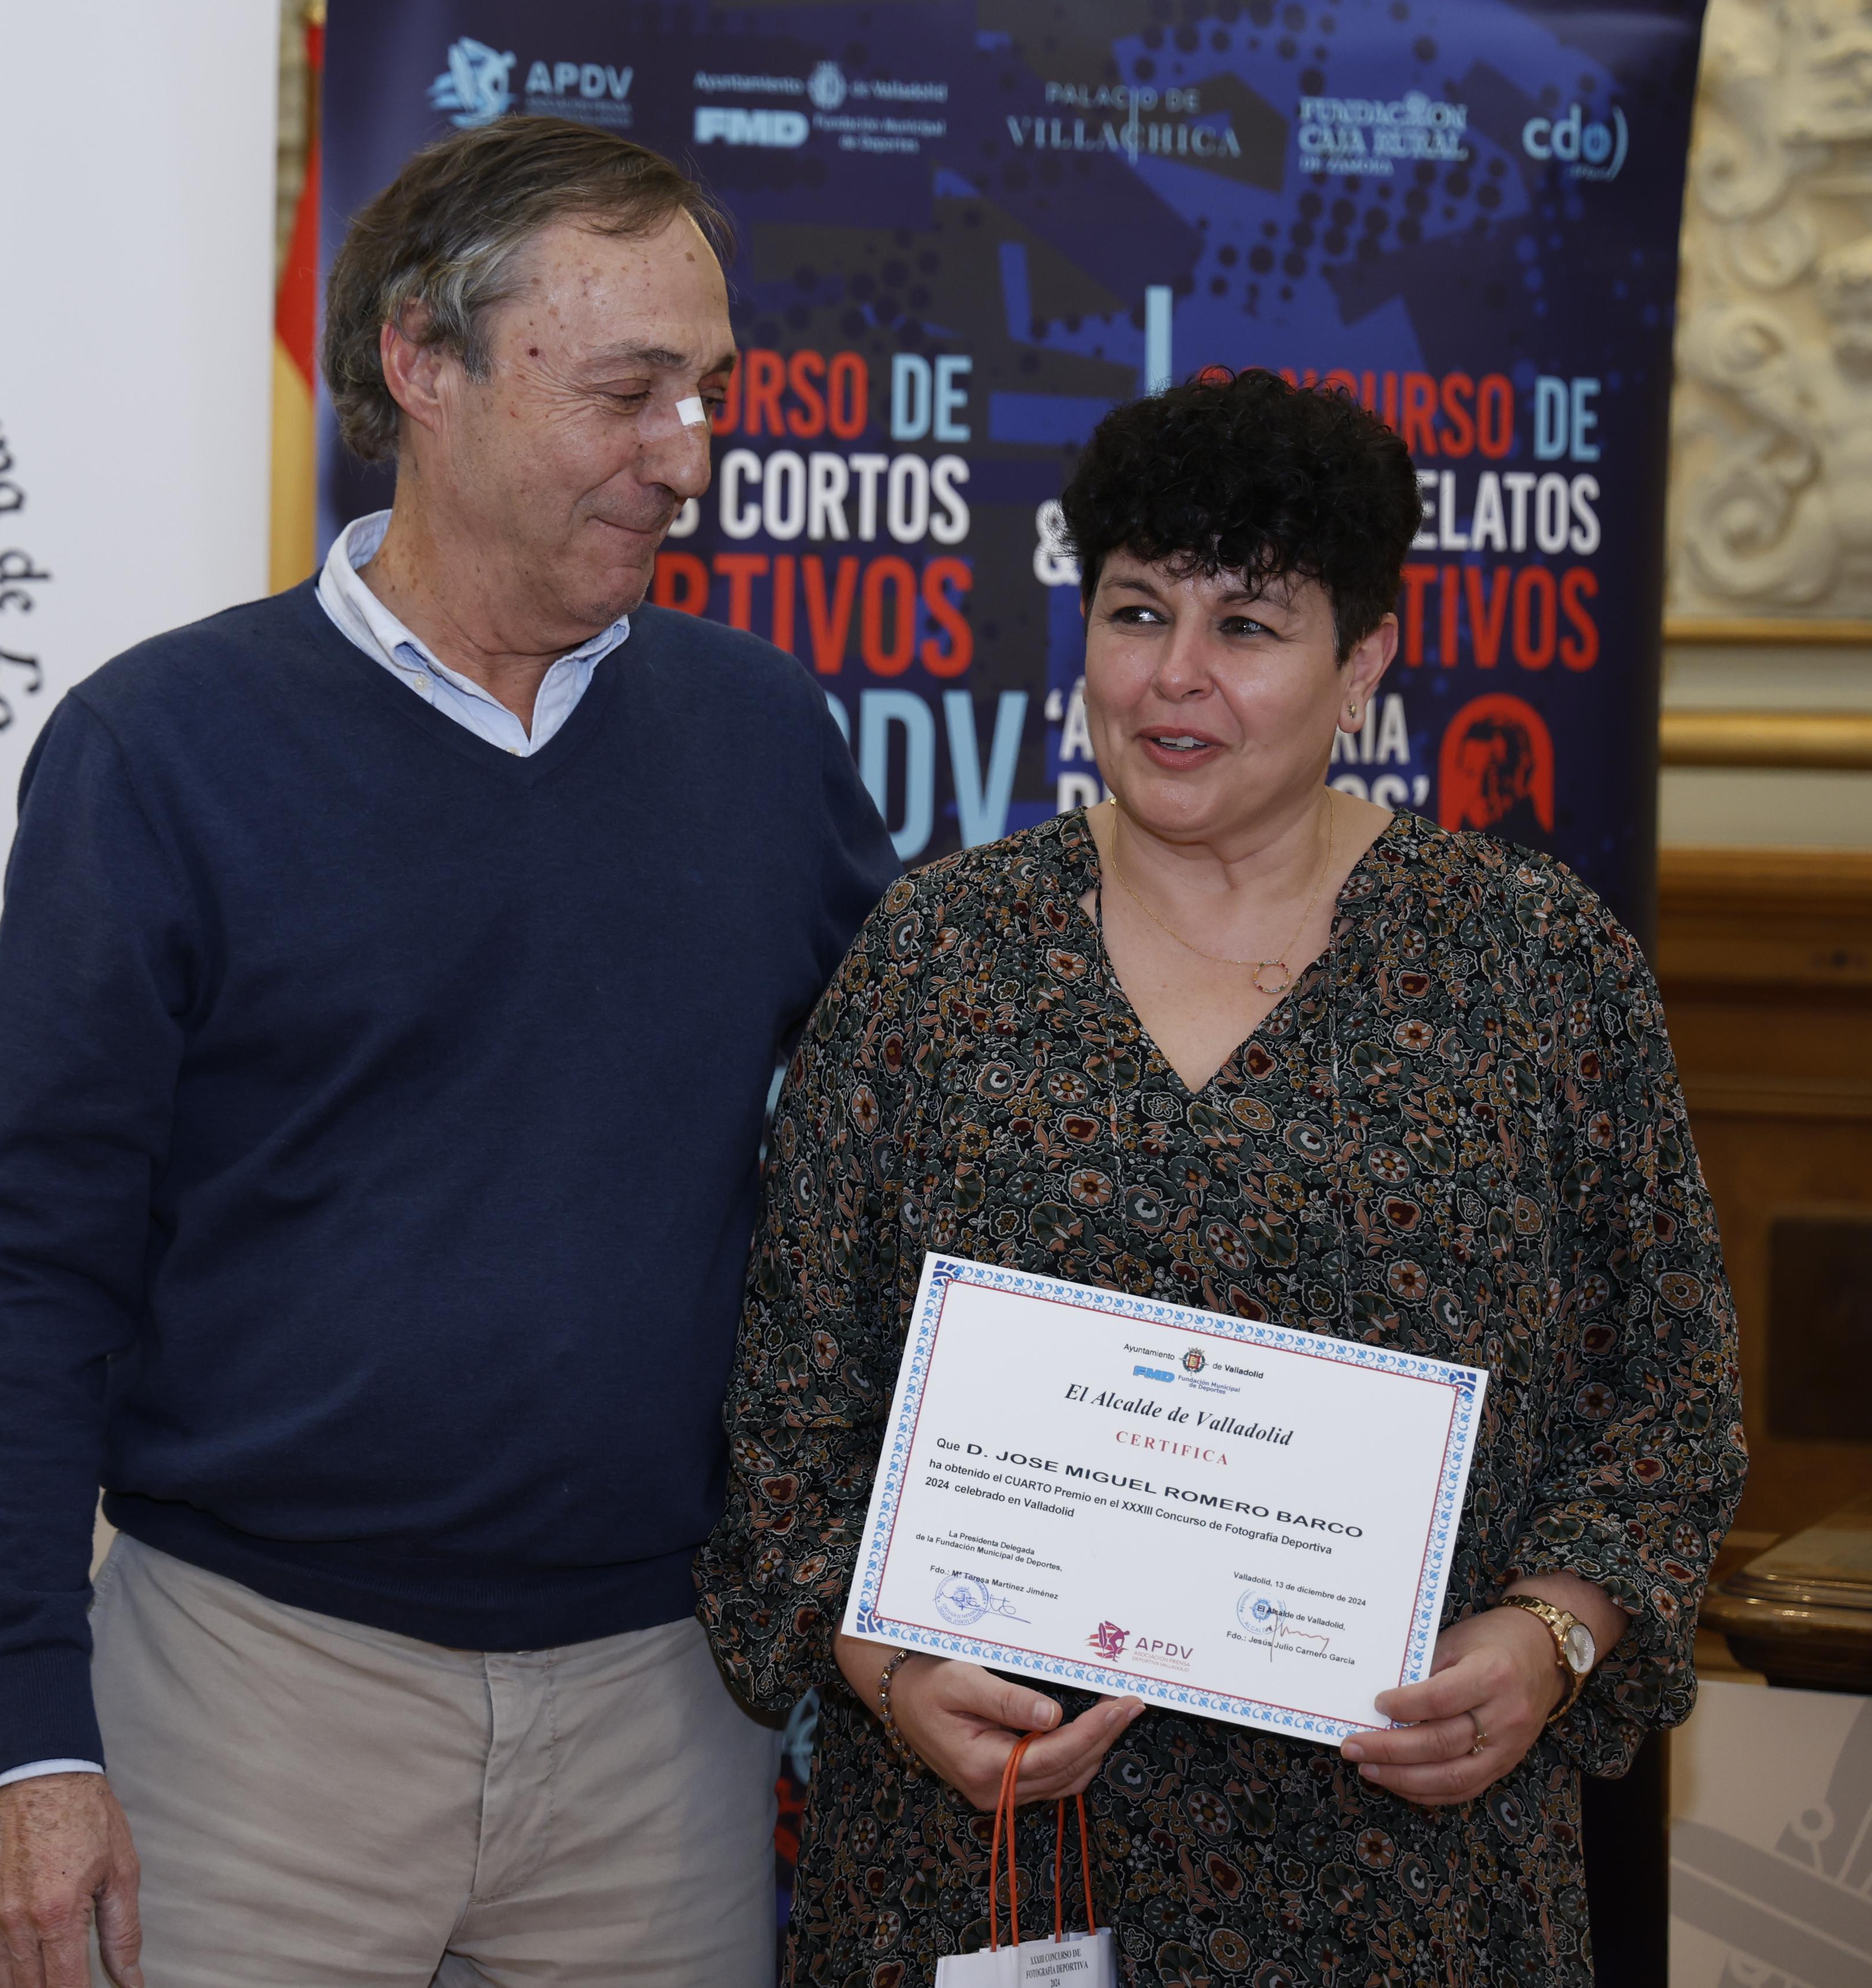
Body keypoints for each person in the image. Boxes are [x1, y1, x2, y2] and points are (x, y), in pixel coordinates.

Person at [0, 116, 898, 1988]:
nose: (686, 452)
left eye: (705, 392)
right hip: (252, 1703)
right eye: (625, 391)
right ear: (420, 363)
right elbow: (31, 1270)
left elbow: (939, 1142)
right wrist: (31, 1741)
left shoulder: (762, 740)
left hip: (661, 1722)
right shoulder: (158, 752)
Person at [697, 369, 1746, 1986]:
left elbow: (1670, 1395)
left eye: (1247, 625)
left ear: (1364, 661)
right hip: (982, 1867)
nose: (1174, 674)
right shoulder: (937, 957)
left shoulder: (1536, 966)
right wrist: (885, 1661)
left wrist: (1554, 1632)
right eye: (1137, 611)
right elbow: (788, 1400)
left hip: (1400, 1879)